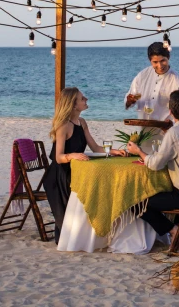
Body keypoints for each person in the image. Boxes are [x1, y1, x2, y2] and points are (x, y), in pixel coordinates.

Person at [44, 87, 127, 243]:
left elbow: (95, 148)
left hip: (77, 170)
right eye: (82, 98)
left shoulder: (81, 122)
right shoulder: (63, 125)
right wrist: (72, 155)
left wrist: (112, 151)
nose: (86, 100)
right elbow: (59, 157)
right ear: (73, 105)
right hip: (60, 174)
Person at [127, 90, 179, 242]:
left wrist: (139, 151)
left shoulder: (174, 132)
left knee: (135, 201)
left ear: (170, 112)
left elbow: (155, 164)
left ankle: (175, 230)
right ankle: (178, 229)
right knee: (166, 189)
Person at [125, 42, 179, 152]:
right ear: (150, 60)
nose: (160, 66)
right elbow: (129, 101)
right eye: (155, 62)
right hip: (144, 134)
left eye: (163, 60)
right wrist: (130, 101)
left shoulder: (177, 81)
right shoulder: (142, 76)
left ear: (168, 58)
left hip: (166, 135)